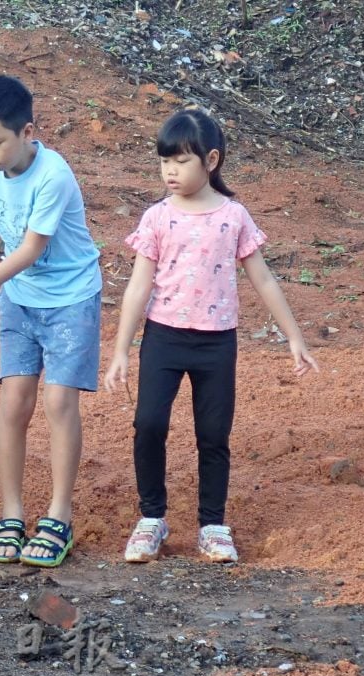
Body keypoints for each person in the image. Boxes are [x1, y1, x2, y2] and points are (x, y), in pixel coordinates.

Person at [104, 108, 319, 563]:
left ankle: (212, 525)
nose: (170, 171)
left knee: (214, 434)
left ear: (212, 161)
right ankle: (151, 518)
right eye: (165, 161)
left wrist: (294, 337)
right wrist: (121, 349)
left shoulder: (234, 216)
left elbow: (263, 280)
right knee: (149, 425)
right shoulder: (157, 218)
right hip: (163, 337)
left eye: (181, 161)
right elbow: (139, 285)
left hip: (217, 342)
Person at [0, 74, 102, 568]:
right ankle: (12, 513)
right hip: (18, 299)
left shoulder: (54, 175)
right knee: (14, 400)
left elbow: (33, 248)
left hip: (71, 299)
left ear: (27, 132)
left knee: (58, 402)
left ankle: (59, 513)